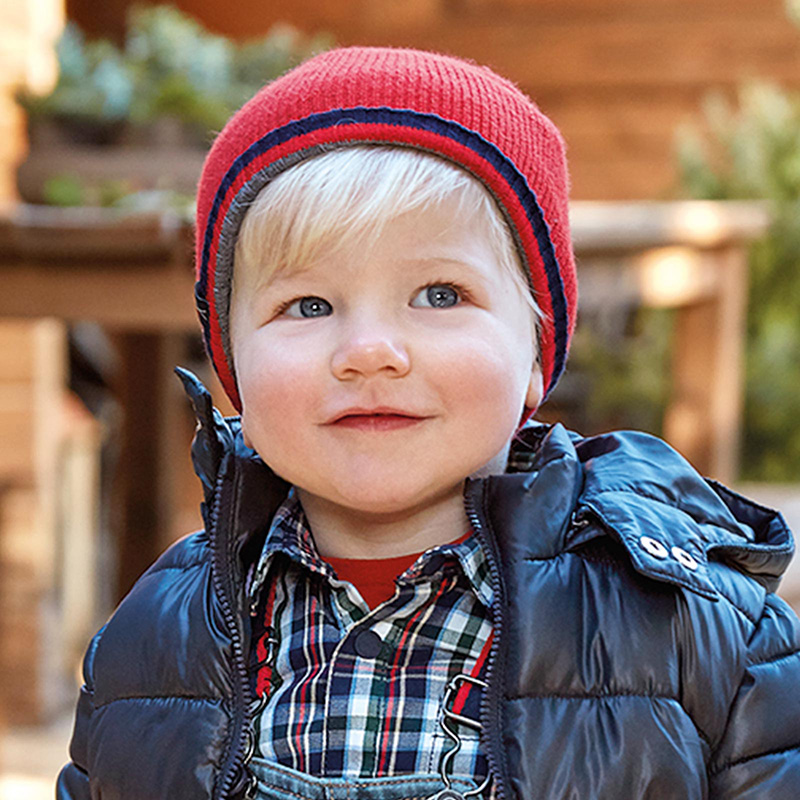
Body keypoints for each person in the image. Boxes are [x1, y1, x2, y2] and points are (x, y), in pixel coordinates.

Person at [57, 47, 800, 800]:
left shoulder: (702, 638)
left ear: (536, 352)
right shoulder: (153, 642)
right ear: (233, 367)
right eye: (308, 306)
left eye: (439, 295)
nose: (369, 351)